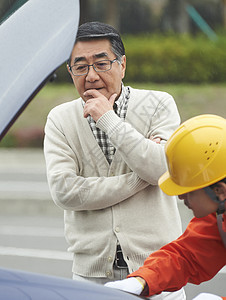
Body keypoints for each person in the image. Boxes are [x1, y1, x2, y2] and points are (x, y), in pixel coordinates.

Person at [43, 21, 185, 299]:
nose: (92, 75)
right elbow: (65, 191)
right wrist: (140, 178)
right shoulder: (60, 119)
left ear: (122, 65)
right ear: (70, 71)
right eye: (80, 66)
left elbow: (162, 168)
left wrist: (108, 120)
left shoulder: (159, 104)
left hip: (159, 271)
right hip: (89, 277)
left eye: (102, 63)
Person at [105, 114, 226, 300]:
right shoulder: (219, 215)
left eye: (189, 190)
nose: (180, 196)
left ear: (220, 191)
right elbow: (187, 257)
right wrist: (142, 280)